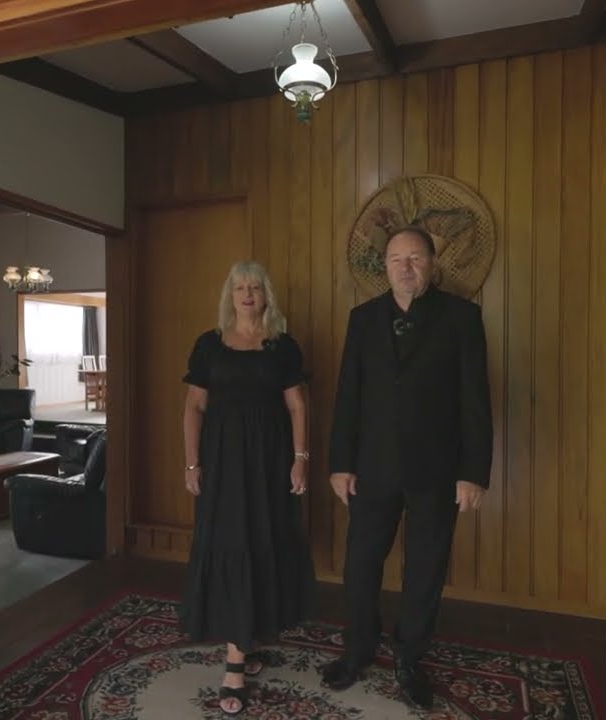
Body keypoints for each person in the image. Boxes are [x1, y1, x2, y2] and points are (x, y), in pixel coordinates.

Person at [320, 226, 493, 709]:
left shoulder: (462, 317)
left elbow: (475, 400)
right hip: (371, 468)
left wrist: (473, 472)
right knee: (359, 565)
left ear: (432, 263)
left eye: (415, 257)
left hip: (437, 471)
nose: (406, 267)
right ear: (386, 266)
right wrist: (340, 463)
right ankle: (357, 649)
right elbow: (348, 396)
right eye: (397, 258)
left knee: (425, 569)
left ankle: (409, 658)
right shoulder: (362, 319)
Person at [179, 260, 316, 716]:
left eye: (255, 286)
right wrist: (192, 462)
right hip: (222, 466)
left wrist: (300, 459)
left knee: (261, 544)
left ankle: (244, 640)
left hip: (270, 465)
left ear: (265, 295)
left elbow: (297, 406)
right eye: (239, 287)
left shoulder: (282, 346)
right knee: (231, 545)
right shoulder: (209, 345)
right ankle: (236, 661)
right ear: (230, 295)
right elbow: (194, 408)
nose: (248, 293)